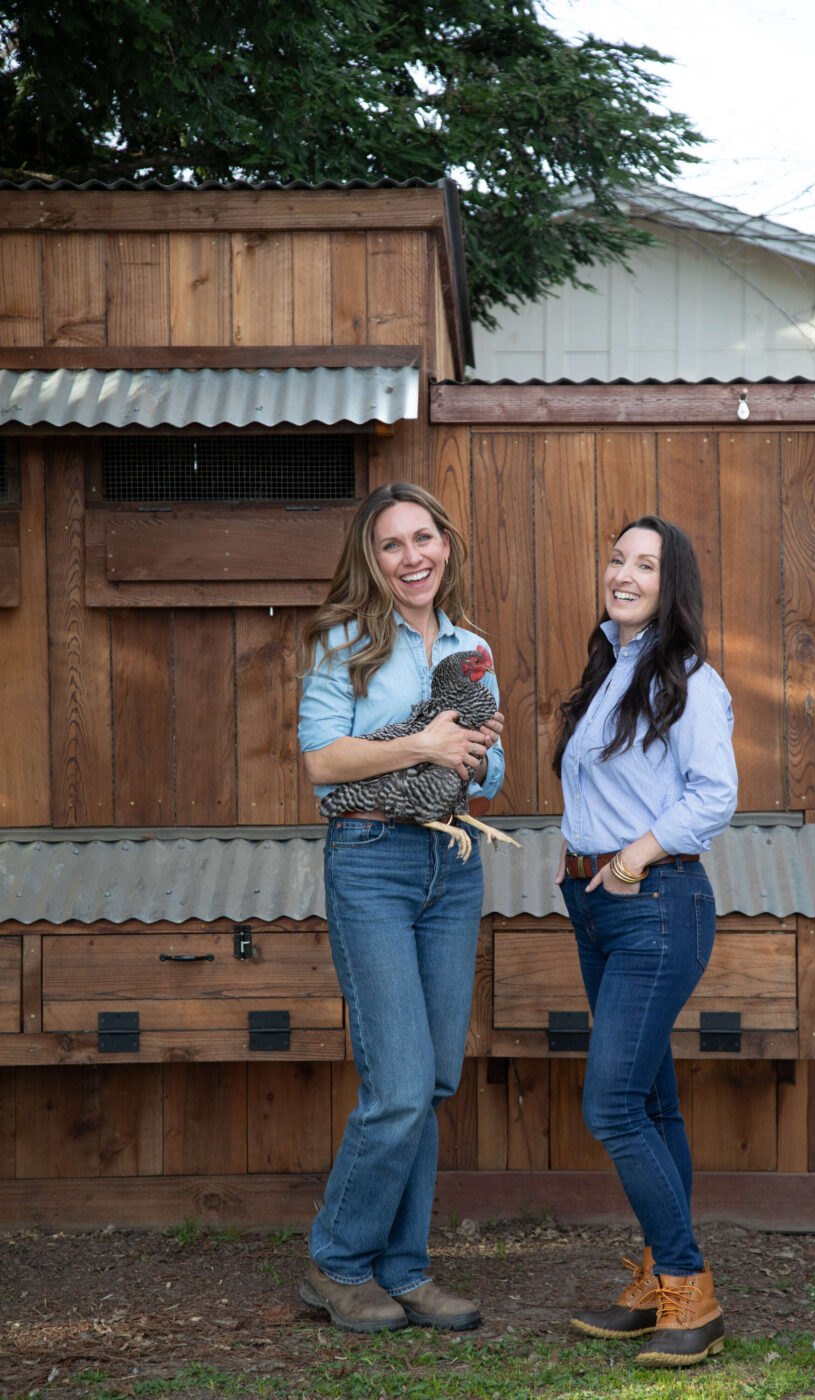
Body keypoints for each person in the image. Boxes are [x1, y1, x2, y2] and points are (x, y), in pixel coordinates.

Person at [297, 481, 504, 1334]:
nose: (412, 556)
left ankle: (403, 1271)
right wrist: (424, 742)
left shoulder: (470, 644)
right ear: (370, 559)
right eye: (392, 544)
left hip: (450, 862)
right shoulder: (341, 642)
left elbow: (486, 774)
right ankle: (337, 1264)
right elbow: (320, 763)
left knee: (436, 1081)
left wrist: (477, 758)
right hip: (373, 859)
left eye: (424, 538)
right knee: (399, 1085)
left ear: (445, 546)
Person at [553, 515, 738, 1367]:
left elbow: (712, 796)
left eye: (645, 564)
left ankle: (688, 1290)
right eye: (616, 558)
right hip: (598, 903)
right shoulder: (610, 670)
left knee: (612, 1105)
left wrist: (629, 858)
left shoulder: (688, 679)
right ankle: (659, 1273)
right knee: (652, 1103)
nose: (623, 573)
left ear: (673, 584)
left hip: (656, 901)